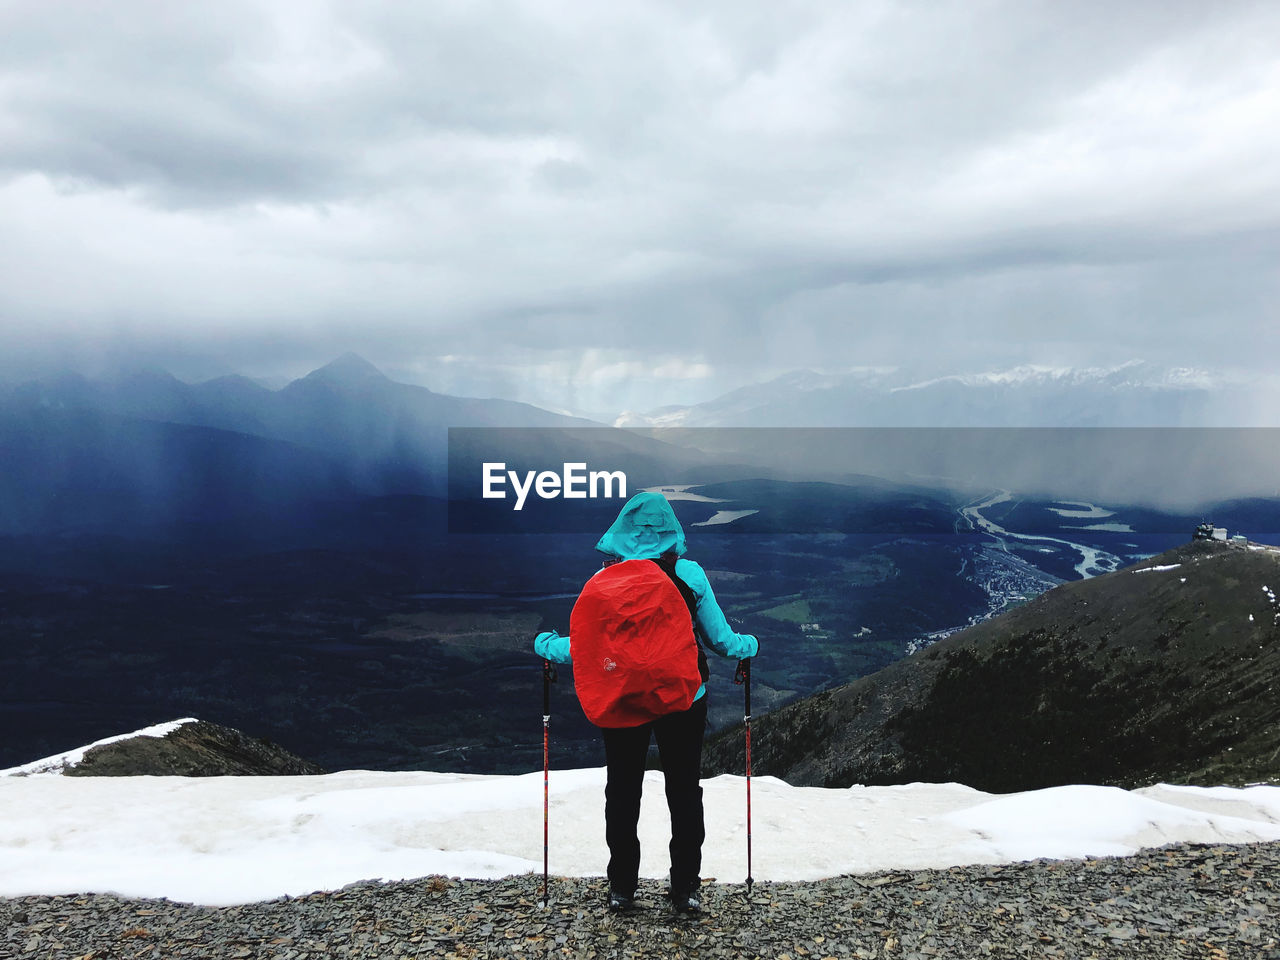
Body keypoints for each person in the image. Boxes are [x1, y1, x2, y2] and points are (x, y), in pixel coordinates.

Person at [534, 491, 758, 914]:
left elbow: (582, 647)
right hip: (683, 698)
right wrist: (751, 646)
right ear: (671, 529)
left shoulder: (605, 581)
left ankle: (621, 888)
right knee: (684, 790)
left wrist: (546, 645)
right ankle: (685, 890)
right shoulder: (689, 575)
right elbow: (721, 640)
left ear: (622, 531)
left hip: (623, 700)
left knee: (622, 791)